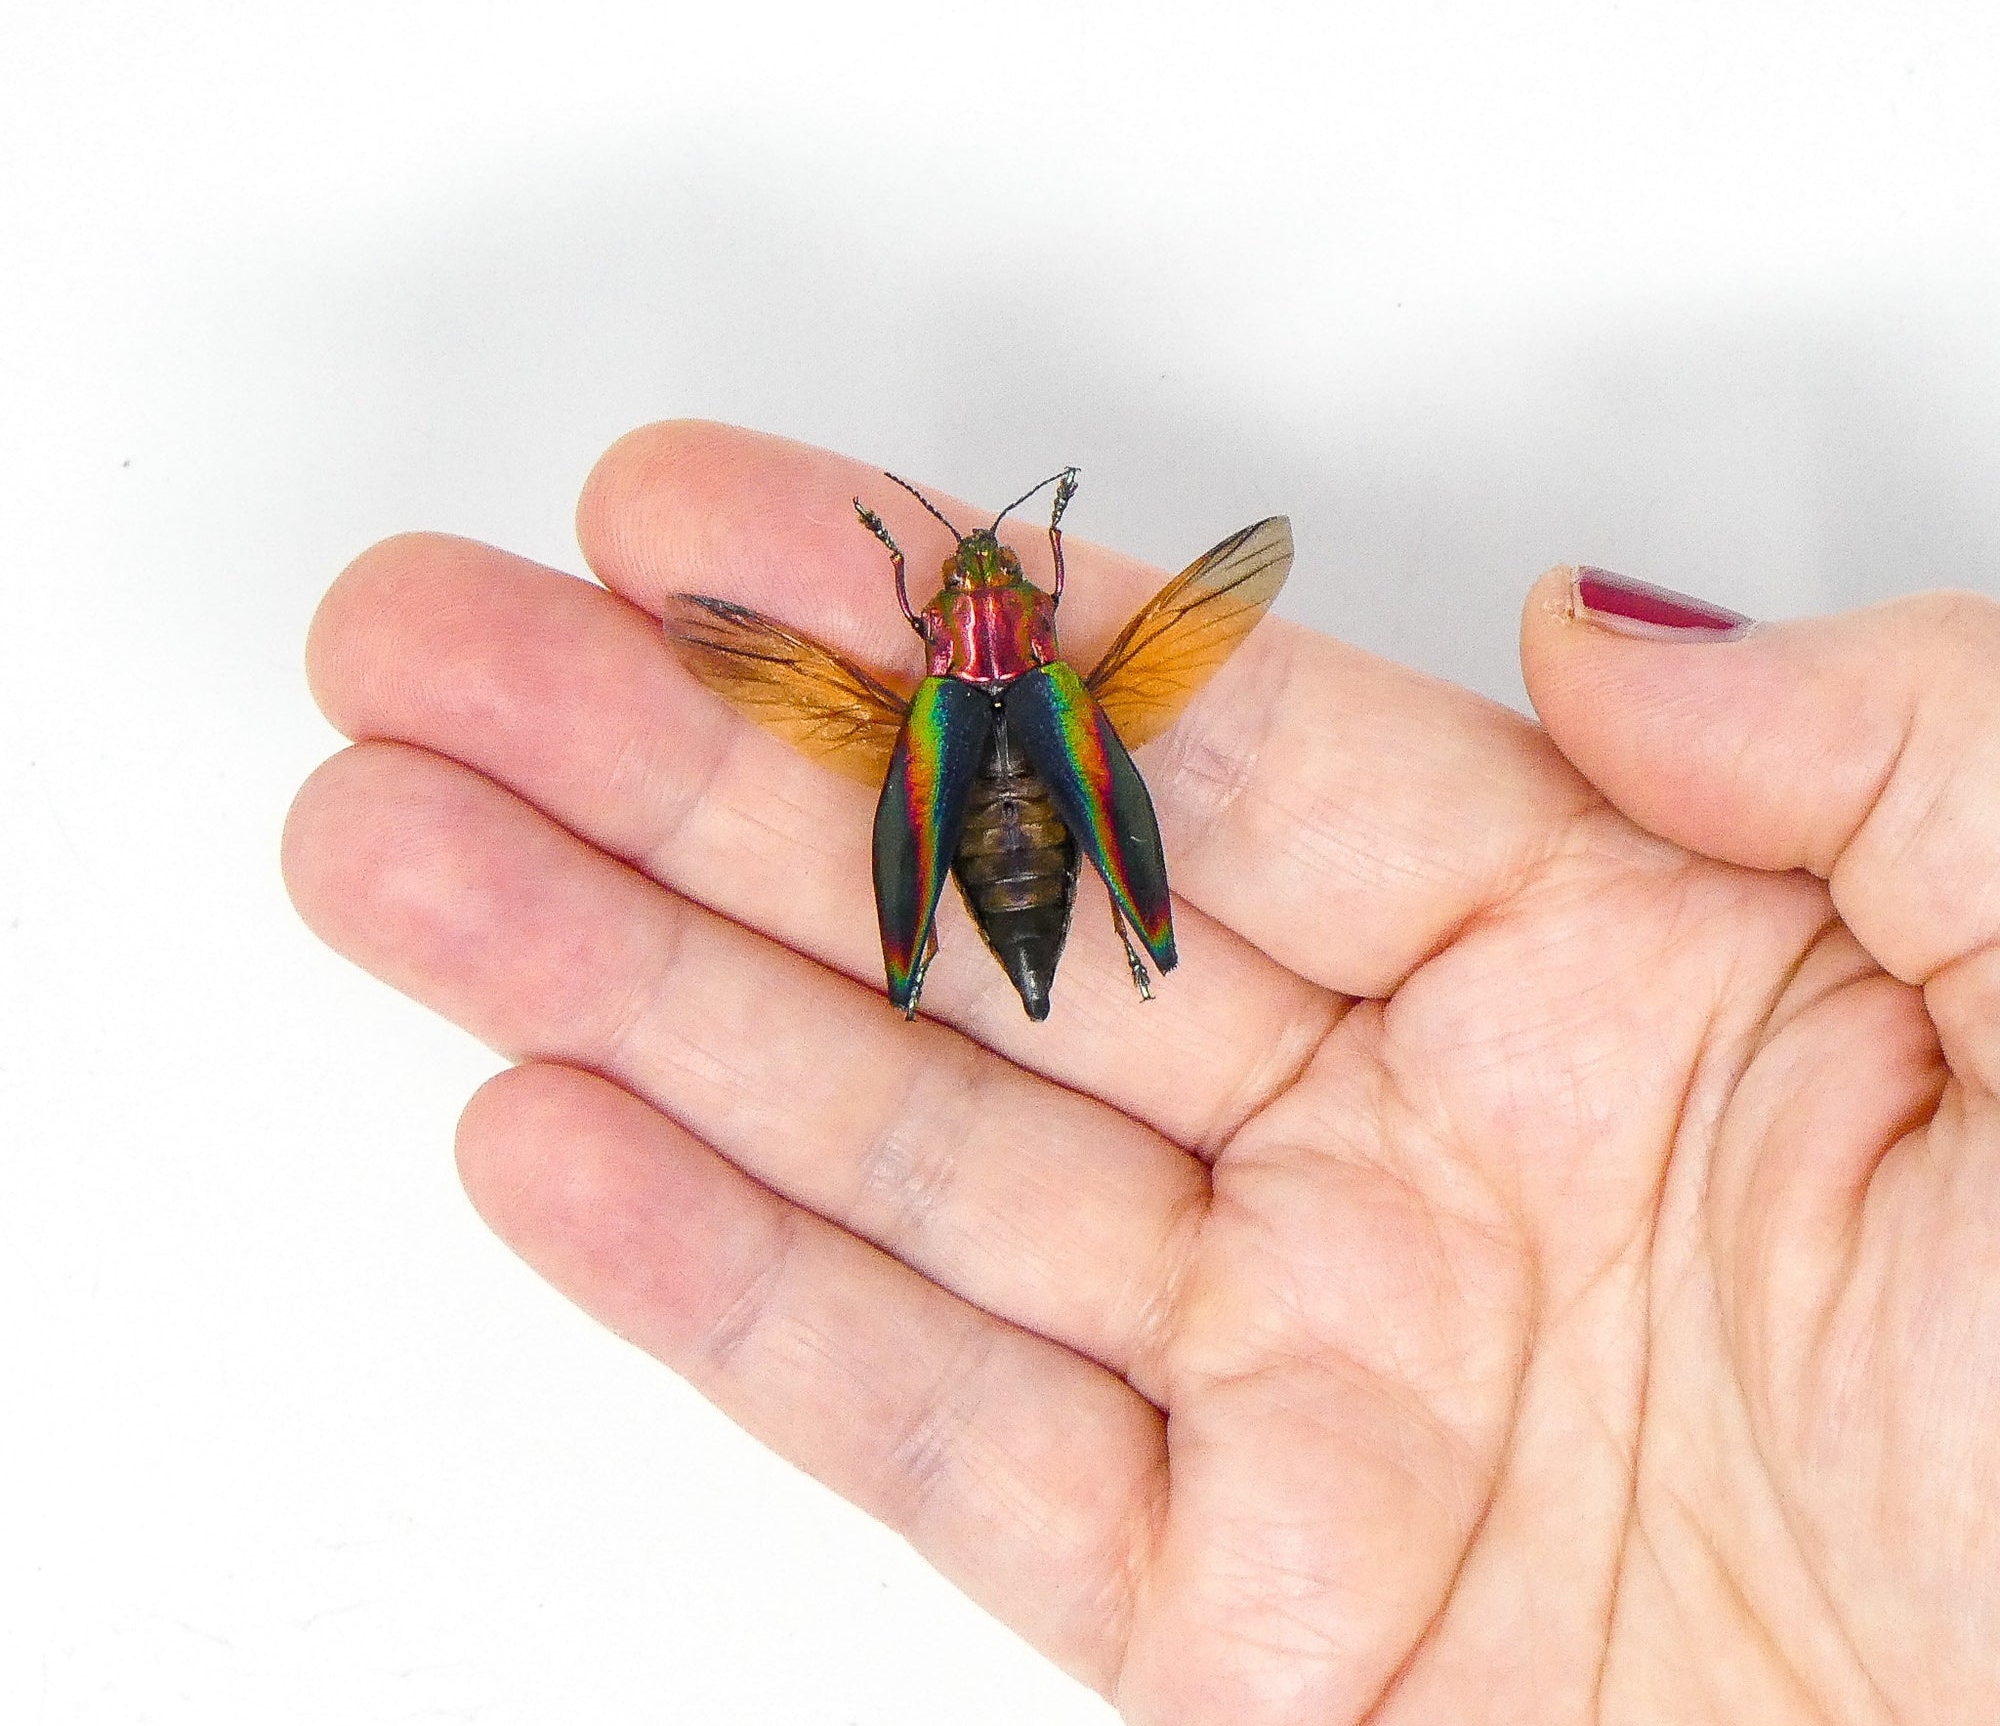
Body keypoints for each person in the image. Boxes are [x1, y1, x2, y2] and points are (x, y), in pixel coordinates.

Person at [283, 420, 2000, 1724]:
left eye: (981, 585)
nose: (971, 599)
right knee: (1023, 797)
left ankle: (975, 958)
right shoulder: (1028, 680)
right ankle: (1019, 950)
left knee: (998, 804)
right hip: (1008, 772)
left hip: (980, 779)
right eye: (964, 591)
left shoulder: (958, 692)